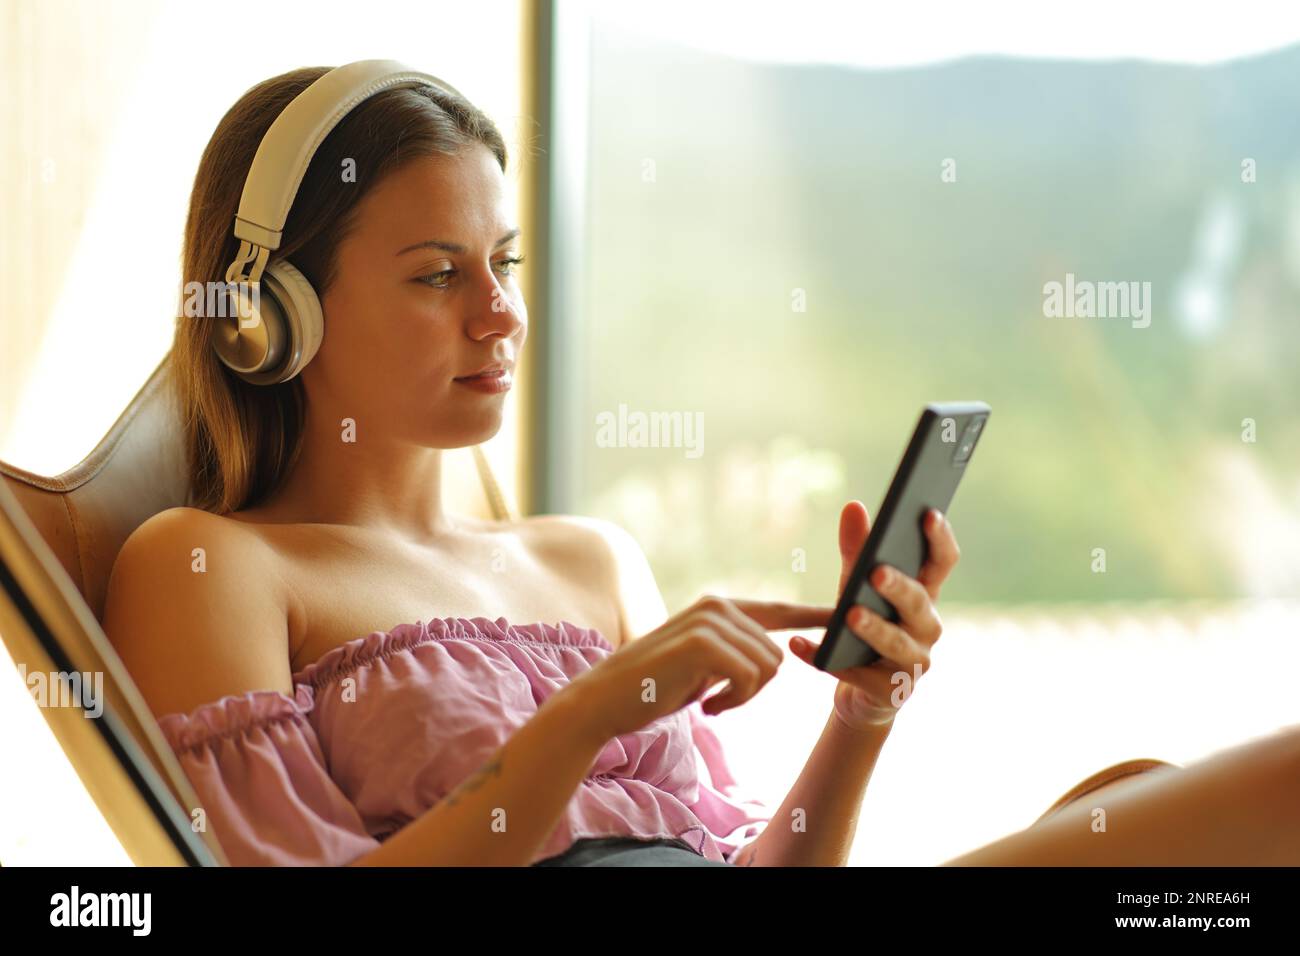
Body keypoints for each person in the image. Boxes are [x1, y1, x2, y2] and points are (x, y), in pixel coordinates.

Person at [103, 64, 1299, 868]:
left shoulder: (584, 558)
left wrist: (861, 712)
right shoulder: (213, 565)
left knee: (1149, 807)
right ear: (271, 314)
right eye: (435, 274)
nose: (499, 314)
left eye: (505, 264)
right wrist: (590, 712)